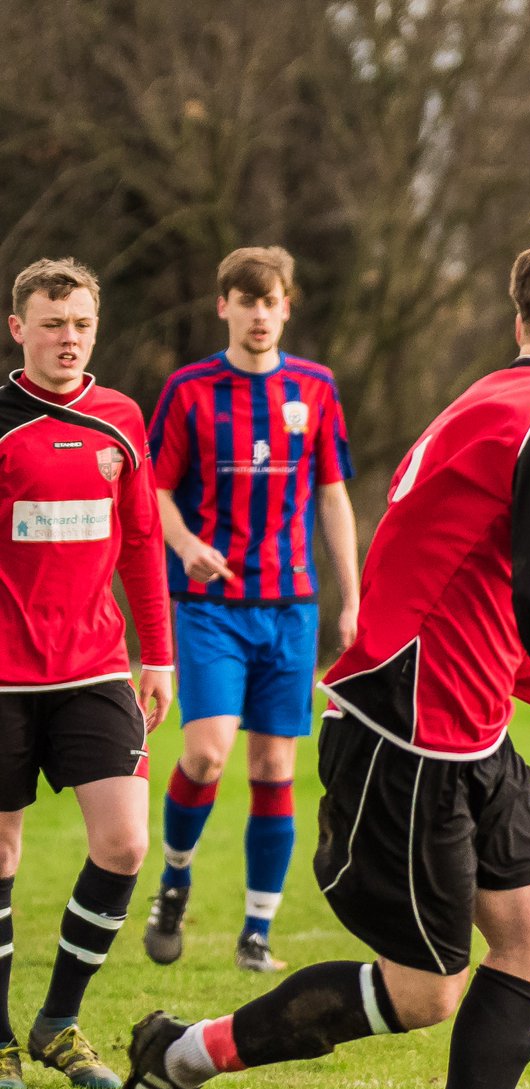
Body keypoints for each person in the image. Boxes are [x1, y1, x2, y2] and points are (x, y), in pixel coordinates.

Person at [117, 230, 530, 1089]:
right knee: (425, 989)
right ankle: (179, 1056)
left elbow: (486, 583)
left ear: (516, 316)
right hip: (413, 730)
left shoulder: (496, 397)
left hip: (460, 721)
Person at [143, 246, 359, 973]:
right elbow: (156, 490)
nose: (260, 314)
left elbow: (333, 495)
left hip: (291, 607)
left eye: (272, 301)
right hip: (210, 604)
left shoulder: (316, 388)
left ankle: (256, 931)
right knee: (205, 754)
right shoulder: (190, 389)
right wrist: (185, 543)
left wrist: (351, 597)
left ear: (287, 308)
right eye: (247, 300)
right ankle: (174, 878)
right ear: (223, 306)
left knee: (273, 767)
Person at [0, 257, 173, 1089]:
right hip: (3, 676)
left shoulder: (120, 419)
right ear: (18, 329)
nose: (67, 339)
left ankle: (57, 1022)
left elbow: (141, 542)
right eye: (52, 323)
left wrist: (159, 652)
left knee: (125, 840)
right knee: (2, 850)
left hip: (96, 666)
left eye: (80, 325)